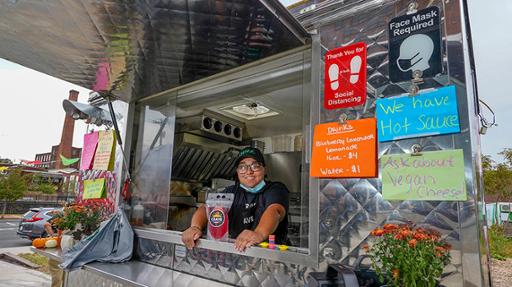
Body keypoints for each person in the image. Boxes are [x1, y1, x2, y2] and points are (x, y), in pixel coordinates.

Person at [182, 147, 289, 252]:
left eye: (255, 166)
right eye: (242, 167)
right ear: (237, 171)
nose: (249, 171)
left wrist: (259, 234)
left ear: (263, 168)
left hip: (269, 256)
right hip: (237, 253)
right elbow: (206, 208)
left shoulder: (275, 189)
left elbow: (275, 211)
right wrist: (195, 227)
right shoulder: (231, 191)